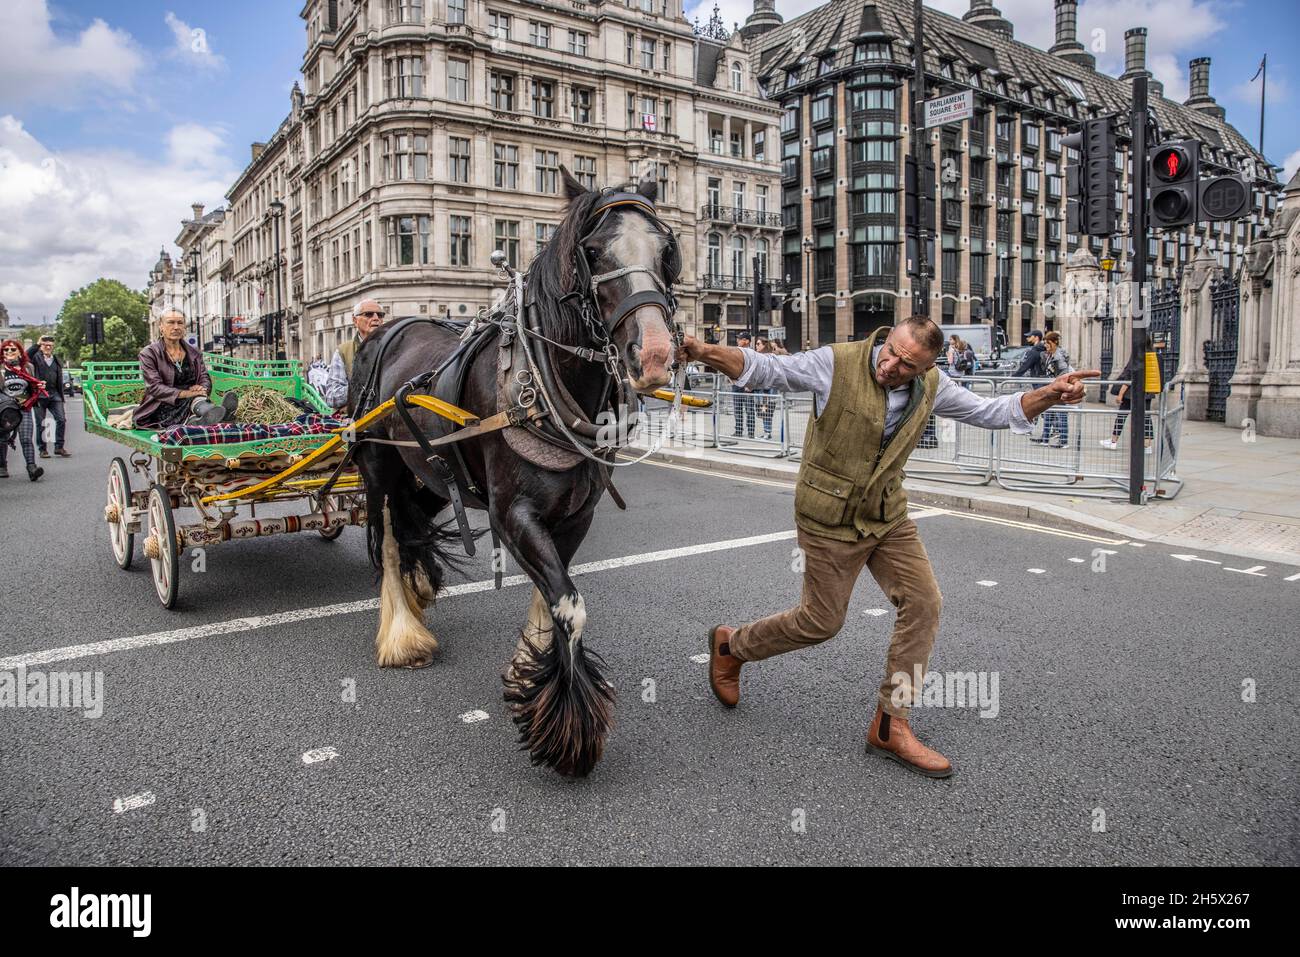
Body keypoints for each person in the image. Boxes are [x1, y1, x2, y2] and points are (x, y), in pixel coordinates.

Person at [680, 316, 1098, 777]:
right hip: (829, 517)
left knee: (924, 603)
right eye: (892, 351)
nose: (891, 365)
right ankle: (733, 646)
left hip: (886, 514)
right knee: (821, 622)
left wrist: (1049, 394)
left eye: (906, 364)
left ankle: (890, 723)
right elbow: (766, 369)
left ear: (925, 368)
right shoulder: (835, 363)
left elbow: (989, 411)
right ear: (887, 337)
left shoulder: (933, 385)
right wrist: (702, 351)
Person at [133, 310, 236, 429]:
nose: (176, 327)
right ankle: (223, 415)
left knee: (196, 398)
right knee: (194, 398)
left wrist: (203, 388)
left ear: (184, 327)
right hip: (162, 405)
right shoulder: (149, 353)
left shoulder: (194, 352)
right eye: (171, 322)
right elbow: (155, 387)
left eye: (180, 323)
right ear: (161, 327)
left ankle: (202, 419)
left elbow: (204, 377)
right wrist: (186, 393)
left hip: (194, 400)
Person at [324, 299, 386, 412]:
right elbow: (332, 397)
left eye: (380, 315)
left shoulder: (393, 346)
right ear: (355, 320)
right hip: (355, 423)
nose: (376, 318)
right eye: (368, 314)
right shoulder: (343, 351)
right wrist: (367, 386)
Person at [1, 339, 47, 480]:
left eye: (13, 349)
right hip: (5, 410)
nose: (9, 352)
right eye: (6, 350)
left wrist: (40, 386)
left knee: (26, 438)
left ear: (20, 352)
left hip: (24, 407)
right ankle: (2, 466)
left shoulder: (28, 367)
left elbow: (33, 385)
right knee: (2, 439)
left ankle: (32, 468)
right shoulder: (1, 369)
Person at [1101, 354, 1154, 454]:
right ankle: (1147, 445)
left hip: (1131, 392)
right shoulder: (1152, 355)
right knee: (1146, 417)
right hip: (1147, 391)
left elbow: (1129, 375)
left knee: (1122, 415)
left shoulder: (1137, 354)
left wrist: (1120, 394)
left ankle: (1113, 441)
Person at [27, 335, 70, 458]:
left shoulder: (56, 359)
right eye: (45, 345)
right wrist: (37, 344)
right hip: (39, 395)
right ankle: (42, 449)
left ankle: (59, 447)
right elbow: (26, 356)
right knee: (41, 423)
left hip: (54, 394)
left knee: (61, 419)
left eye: (50, 345)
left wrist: (61, 396)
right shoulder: (35, 358)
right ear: (41, 346)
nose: (48, 347)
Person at [1035, 332, 1075, 448]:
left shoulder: (1059, 356)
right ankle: (1045, 438)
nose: (1046, 345)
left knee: (1061, 415)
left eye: (1048, 343)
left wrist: (1058, 384)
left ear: (1055, 342)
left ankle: (1063, 441)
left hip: (1058, 388)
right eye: (1045, 343)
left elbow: (1063, 372)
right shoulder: (1050, 354)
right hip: (1051, 387)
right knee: (1048, 413)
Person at [730, 331, 756, 440]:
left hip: (747, 385)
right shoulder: (737, 351)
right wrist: (731, 378)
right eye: (738, 338)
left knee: (749, 409)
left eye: (740, 339)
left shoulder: (752, 353)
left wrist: (750, 384)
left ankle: (751, 432)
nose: (738, 340)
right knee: (737, 409)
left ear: (746, 341)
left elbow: (753, 369)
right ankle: (738, 430)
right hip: (736, 385)